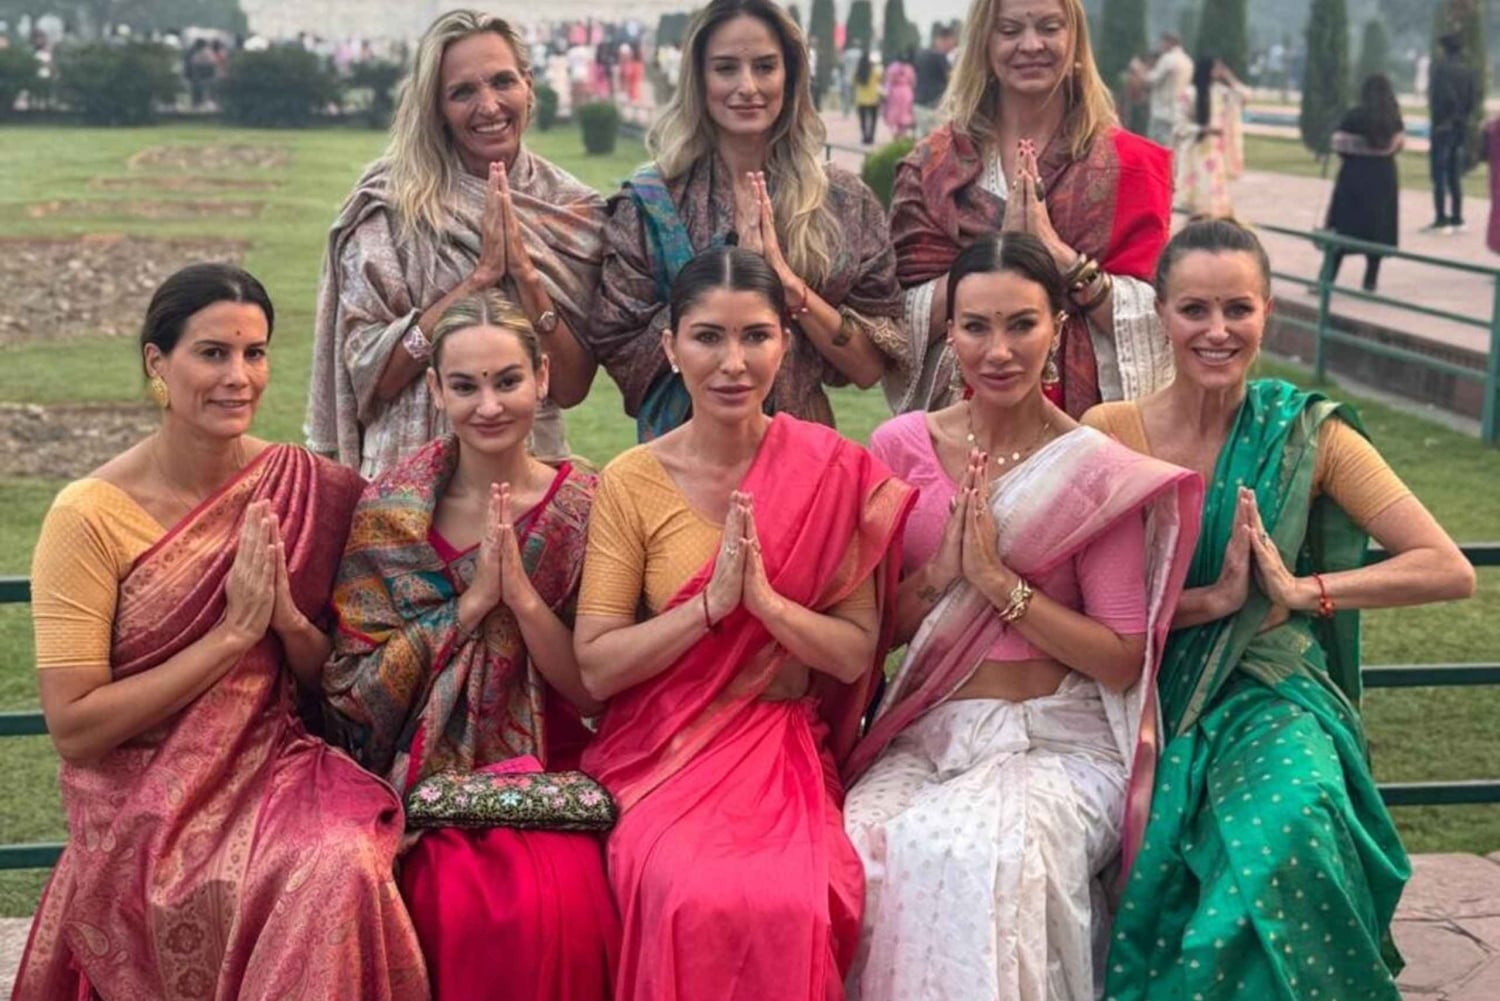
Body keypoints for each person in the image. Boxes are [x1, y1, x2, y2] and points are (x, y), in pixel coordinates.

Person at [1084, 218, 1476, 1001]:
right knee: (1183, 862)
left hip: (1271, 688)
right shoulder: (1110, 435)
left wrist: (1303, 592)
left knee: (1291, 822)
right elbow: (1081, 606)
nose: (1217, 330)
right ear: (1160, 313)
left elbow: (1446, 567)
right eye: (1195, 309)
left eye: (1238, 308)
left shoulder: (1305, 434)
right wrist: (1213, 601)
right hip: (1146, 691)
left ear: (1269, 312)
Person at [13, 264, 428, 1000]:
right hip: (136, 801)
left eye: (254, 353)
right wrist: (230, 639)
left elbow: (338, 682)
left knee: (337, 860)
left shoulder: (307, 490)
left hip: (272, 771)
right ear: (157, 362)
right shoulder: (89, 516)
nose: (239, 377)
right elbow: (74, 727)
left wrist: (286, 624)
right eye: (212, 353)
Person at [841, 233, 1201, 1001]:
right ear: (949, 333)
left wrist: (1001, 583)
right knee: (858, 845)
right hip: (929, 730)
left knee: (978, 855)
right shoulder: (899, 448)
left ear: (1058, 328)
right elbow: (871, 634)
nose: (998, 350)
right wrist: (941, 576)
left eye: (1022, 324)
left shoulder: (1090, 469)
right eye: (976, 326)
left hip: (1056, 740)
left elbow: (1119, 656)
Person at [575, 246, 915, 1000]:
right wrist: (708, 607)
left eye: (755, 336)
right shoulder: (633, 480)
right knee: (684, 891)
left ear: (784, 344)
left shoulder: (831, 469)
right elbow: (596, 664)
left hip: (780, 744)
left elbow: (854, 650)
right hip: (665, 744)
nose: (733, 363)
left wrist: (766, 605)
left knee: (797, 898)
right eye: (708, 337)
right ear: (671, 347)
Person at [324, 290, 619, 1001]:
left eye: (507, 380)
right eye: (465, 386)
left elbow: (594, 688)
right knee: (454, 899)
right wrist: (469, 606)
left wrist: (521, 599)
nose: (488, 405)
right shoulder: (392, 510)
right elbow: (351, 693)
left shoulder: (588, 505)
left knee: (567, 901)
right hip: (420, 769)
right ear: (435, 389)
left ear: (541, 378)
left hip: (556, 762)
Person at [588, 0, 904, 440]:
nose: (747, 86)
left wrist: (793, 292)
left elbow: (869, 367)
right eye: (726, 68)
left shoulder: (841, 202)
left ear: (790, 75)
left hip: (803, 454)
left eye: (765, 67)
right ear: (699, 78)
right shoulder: (653, 203)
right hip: (685, 454)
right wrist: (719, 293)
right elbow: (619, 350)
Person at [309, 10, 606, 477]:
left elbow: (568, 388)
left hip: (530, 476)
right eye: (462, 92)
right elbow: (372, 379)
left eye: (503, 81)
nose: (489, 106)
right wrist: (477, 282)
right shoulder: (393, 206)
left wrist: (526, 277)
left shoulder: (572, 212)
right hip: (404, 482)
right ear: (437, 107)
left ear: (528, 85)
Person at [886, 0, 1175, 419]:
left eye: (1049, 27)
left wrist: (1063, 260)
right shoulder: (932, 168)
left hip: (1089, 429)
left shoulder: (1131, 166)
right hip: (963, 423)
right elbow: (896, 322)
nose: (1031, 44)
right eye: (1009, 30)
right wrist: (997, 254)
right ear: (984, 43)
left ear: (1074, 40)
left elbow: (1165, 317)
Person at [1326, 74, 1405, 292]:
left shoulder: (1354, 116)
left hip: (1354, 178)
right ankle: (1370, 281)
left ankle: (1328, 279)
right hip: (1383, 179)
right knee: (1377, 228)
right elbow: (1399, 145)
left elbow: (1339, 145)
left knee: (1343, 229)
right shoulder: (1393, 119)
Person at [1176, 56, 1246, 219]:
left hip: (1214, 152)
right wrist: (1203, 129)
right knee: (1197, 198)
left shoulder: (1220, 92)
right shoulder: (1189, 93)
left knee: (1213, 199)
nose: (1219, 72)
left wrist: (1229, 77)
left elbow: (1244, 96)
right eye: (1216, 68)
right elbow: (1179, 124)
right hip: (1195, 150)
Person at [1426, 32, 1476, 233]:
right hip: (1460, 126)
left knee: (1439, 173)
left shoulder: (1441, 70)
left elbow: (1441, 97)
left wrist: (1444, 119)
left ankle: (1440, 216)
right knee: (1454, 172)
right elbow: (1472, 100)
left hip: (1443, 126)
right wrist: (1461, 118)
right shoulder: (1468, 71)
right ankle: (1457, 216)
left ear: (1444, 49)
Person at [1135, 31, 1192, 148]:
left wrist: (1138, 69)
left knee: (1157, 147)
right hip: (1179, 112)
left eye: (1162, 42)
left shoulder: (1168, 59)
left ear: (1169, 42)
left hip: (1162, 112)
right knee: (1173, 148)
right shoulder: (1188, 61)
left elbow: (1151, 80)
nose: (1161, 46)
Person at [913, 25, 957, 137]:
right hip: (934, 107)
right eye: (951, 42)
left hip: (919, 105)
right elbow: (952, 79)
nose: (952, 46)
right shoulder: (940, 57)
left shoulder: (921, 54)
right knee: (938, 141)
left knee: (922, 141)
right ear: (943, 40)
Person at [882, 50, 916, 139]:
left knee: (895, 112)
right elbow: (913, 82)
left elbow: (888, 81)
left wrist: (886, 93)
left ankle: (895, 133)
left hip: (895, 92)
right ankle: (902, 133)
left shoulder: (892, 67)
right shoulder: (909, 68)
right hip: (906, 91)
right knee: (905, 112)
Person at [854, 48, 883, 145]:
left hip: (861, 99)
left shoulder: (858, 72)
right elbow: (880, 79)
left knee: (863, 120)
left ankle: (864, 137)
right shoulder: (874, 71)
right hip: (873, 98)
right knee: (873, 119)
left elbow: (853, 82)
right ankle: (871, 137)